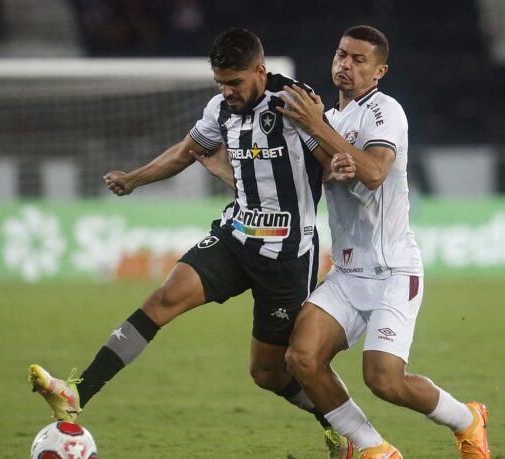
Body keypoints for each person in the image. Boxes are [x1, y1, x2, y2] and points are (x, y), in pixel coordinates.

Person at [28, 28, 355, 458]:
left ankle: (341, 426)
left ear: (260, 70)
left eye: (234, 82)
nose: (227, 91)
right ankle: (77, 392)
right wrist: (134, 179)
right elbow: (187, 151)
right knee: (163, 299)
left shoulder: (295, 102)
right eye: (220, 82)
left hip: (286, 255)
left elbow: (330, 163)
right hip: (236, 236)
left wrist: (340, 165)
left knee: (268, 373)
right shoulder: (221, 108)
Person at [277, 26, 490, 459]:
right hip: (347, 273)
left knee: (385, 380)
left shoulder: (384, 112)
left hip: (393, 271)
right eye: (341, 55)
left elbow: (374, 173)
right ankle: (373, 448)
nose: (346, 65)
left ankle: (468, 420)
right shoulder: (331, 120)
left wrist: (317, 127)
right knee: (301, 358)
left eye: (358, 60)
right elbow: (322, 172)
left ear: (379, 71)